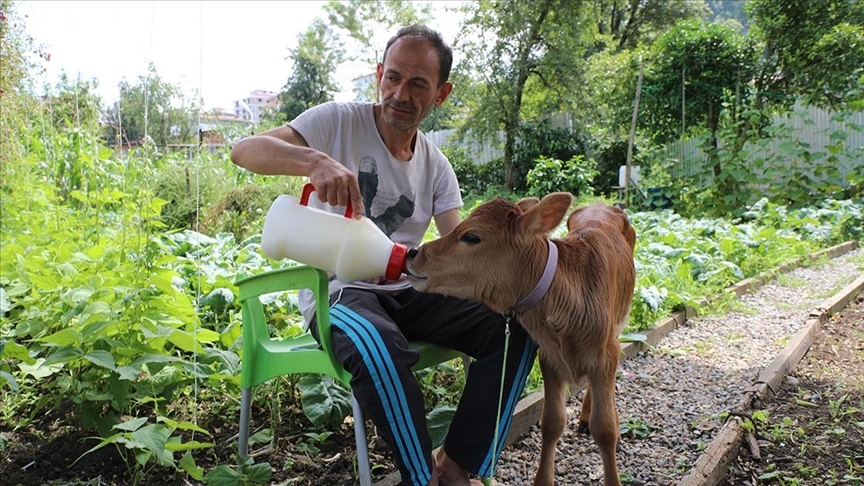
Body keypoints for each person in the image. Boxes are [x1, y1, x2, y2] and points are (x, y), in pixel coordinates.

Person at [230, 24, 537, 486]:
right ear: (379, 74)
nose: (400, 93)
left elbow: (461, 255)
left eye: (418, 84)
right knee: (377, 346)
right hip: (341, 294)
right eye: (393, 77)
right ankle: (420, 478)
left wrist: (518, 280)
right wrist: (314, 161)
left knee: (516, 330)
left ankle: (455, 465)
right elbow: (243, 150)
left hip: (407, 287)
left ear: (441, 94)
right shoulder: (336, 122)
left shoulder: (436, 166)